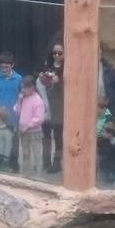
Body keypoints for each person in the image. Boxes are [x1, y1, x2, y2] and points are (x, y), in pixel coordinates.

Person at [0, 51, 22, 169]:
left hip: (13, 117)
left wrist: (20, 117)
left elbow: (22, 98)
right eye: (2, 67)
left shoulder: (18, 78)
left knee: (13, 142)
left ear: (13, 65)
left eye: (7, 67)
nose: (4, 69)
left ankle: (14, 165)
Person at [39, 44, 65, 173]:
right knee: (46, 135)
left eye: (60, 53)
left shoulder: (67, 67)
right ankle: (46, 161)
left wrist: (58, 81)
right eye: (55, 53)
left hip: (59, 106)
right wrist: (42, 78)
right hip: (46, 103)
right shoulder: (47, 65)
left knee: (58, 136)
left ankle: (57, 163)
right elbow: (41, 83)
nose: (57, 55)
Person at [14, 74, 46, 175]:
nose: (22, 90)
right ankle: (26, 173)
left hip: (34, 132)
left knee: (37, 154)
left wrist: (28, 126)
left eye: (24, 87)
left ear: (32, 87)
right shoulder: (23, 98)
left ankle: (38, 175)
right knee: (25, 153)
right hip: (23, 131)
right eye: (22, 87)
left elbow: (39, 118)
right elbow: (17, 111)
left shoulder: (38, 100)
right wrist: (19, 100)